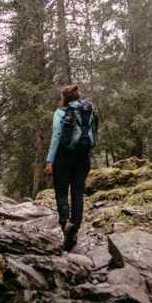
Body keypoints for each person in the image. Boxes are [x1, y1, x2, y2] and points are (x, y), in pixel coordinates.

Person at [44, 83, 98, 251]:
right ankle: (74, 229)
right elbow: (94, 133)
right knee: (77, 194)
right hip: (83, 158)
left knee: (61, 192)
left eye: (61, 97)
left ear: (65, 99)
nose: (59, 100)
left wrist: (49, 161)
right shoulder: (89, 111)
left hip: (63, 158)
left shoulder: (60, 113)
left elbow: (56, 136)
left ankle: (64, 225)